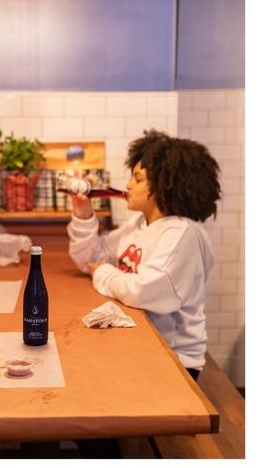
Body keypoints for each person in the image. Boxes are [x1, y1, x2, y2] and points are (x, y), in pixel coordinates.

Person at [68, 129, 221, 380]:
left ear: (163, 186)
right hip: (141, 342)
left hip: (174, 360)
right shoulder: (138, 224)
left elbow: (142, 291)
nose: (128, 185)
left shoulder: (181, 235)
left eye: (138, 179)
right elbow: (92, 257)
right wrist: (83, 213)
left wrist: (104, 273)